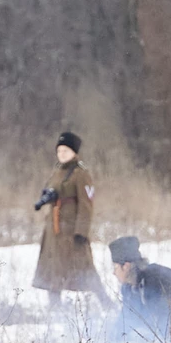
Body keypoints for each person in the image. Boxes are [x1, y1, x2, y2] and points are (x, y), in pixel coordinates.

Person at [32, 131, 114, 309]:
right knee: (53, 268)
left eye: (66, 151)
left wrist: (81, 232)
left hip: (71, 231)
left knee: (85, 268)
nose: (61, 154)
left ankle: (106, 303)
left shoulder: (80, 174)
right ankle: (55, 308)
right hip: (54, 230)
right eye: (59, 150)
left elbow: (86, 205)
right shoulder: (57, 172)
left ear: (74, 152)